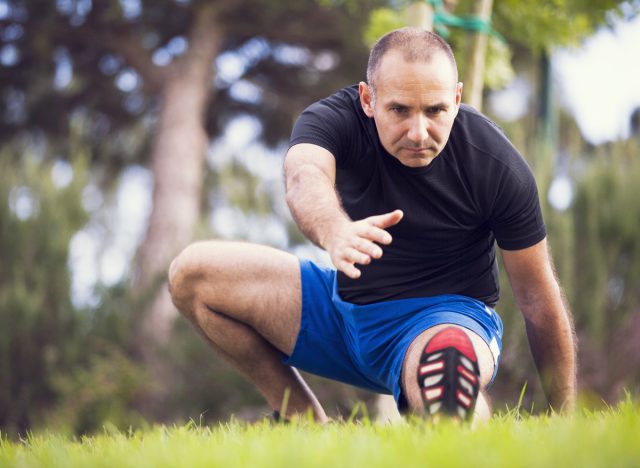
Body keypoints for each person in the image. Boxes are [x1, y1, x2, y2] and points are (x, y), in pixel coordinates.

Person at [168, 27, 576, 423]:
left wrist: (565, 417)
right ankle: (301, 418)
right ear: (368, 99)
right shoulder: (332, 119)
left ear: (456, 98)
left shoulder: (495, 165)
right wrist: (335, 230)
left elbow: (538, 298)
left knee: (447, 376)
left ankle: (458, 420)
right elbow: (304, 175)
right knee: (193, 273)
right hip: (341, 314)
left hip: (442, 323)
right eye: (399, 110)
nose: (419, 132)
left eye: (435, 110)